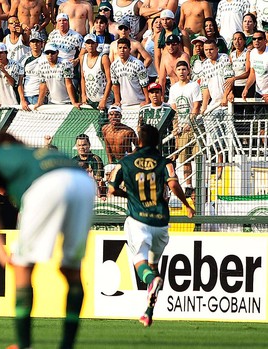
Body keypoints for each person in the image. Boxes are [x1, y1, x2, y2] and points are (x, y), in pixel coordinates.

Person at [0, 130, 95, 349]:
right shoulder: (35, 152)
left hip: (46, 187)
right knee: (72, 269)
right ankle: (67, 345)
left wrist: (1, 251)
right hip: (84, 183)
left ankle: (24, 345)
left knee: (23, 267)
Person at [108, 124, 195, 327]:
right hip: (161, 223)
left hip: (138, 221)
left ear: (138, 141)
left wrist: (127, 194)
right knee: (154, 265)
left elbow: (111, 189)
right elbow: (173, 184)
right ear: (157, 142)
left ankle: (151, 281)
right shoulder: (165, 162)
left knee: (141, 263)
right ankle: (148, 312)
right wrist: (187, 206)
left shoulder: (125, 162)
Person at [168, 60, 201, 189]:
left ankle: (199, 184)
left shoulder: (194, 86)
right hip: (182, 129)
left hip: (195, 127)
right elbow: (173, 109)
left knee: (198, 158)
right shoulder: (174, 88)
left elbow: (196, 107)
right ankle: (188, 186)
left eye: (184, 69)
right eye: (179, 69)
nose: (181, 72)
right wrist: (176, 127)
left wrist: (190, 122)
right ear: (176, 72)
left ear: (188, 71)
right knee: (185, 159)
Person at [34, 42, 79, 108]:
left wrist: (73, 102)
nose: (50, 55)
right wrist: (39, 102)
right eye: (47, 53)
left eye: (52, 53)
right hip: (52, 102)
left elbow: (68, 83)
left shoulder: (66, 64)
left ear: (57, 52)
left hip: (67, 102)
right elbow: (43, 84)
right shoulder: (42, 65)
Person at [110, 38, 150, 106]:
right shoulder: (114, 65)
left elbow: (144, 84)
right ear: (117, 49)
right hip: (124, 104)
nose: (122, 50)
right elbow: (115, 85)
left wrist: (147, 101)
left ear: (129, 49)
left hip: (139, 103)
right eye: (120, 48)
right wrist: (117, 101)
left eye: (125, 48)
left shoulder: (138, 64)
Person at [80, 33, 113, 110]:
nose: (90, 45)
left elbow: (109, 80)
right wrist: (83, 95)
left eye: (93, 43)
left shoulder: (104, 58)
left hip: (104, 101)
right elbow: (82, 78)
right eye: (88, 43)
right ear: (85, 45)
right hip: (89, 101)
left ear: (97, 44)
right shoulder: (83, 58)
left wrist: (104, 99)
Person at [0, 42, 26, 108]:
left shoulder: (15, 65)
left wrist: (4, 71)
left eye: (1, 53)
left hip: (13, 101)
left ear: (6, 53)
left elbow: (14, 84)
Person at [20, 31, 45, 106]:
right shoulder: (24, 59)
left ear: (41, 44)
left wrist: (40, 100)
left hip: (40, 95)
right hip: (26, 95)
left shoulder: (46, 58)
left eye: (37, 42)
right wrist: (22, 99)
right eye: (33, 42)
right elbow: (20, 81)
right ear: (29, 44)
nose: (35, 44)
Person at [243, 31, 268, 103]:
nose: (256, 41)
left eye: (259, 38)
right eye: (254, 39)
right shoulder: (253, 53)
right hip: (258, 93)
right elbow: (253, 73)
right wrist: (246, 88)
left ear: (265, 41)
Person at [230, 31, 250, 98]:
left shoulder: (247, 53)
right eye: (235, 39)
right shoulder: (232, 54)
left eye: (240, 39)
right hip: (235, 86)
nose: (237, 41)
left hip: (246, 86)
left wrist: (235, 78)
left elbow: (248, 72)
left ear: (244, 41)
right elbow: (230, 72)